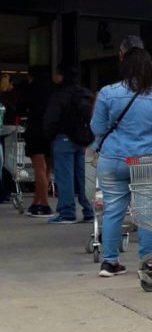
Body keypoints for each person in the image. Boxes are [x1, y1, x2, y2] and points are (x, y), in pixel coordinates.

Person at [90, 48, 152, 277]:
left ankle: (110, 262)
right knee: (147, 212)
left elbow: (97, 128)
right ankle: (148, 262)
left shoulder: (107, 93)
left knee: (113, 210)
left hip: (113, 159)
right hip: (150, 161)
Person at [42, 64, 95, 224]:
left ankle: (67, 212)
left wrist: (49, 136)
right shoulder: (85, 93)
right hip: (83, 140)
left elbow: (50, 119)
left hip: (63, 139)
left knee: (65, 177)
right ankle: (89, 210)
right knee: (84, 177)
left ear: (61, 76)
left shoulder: (59, 95)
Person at [21, 68, 55, 217]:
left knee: (39, 169)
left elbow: (20, 109)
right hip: (51, 132)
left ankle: (45, 205)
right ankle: (36, 203)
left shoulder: (31, 90)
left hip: (35, 130)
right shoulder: (54, 90)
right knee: (46, 170)